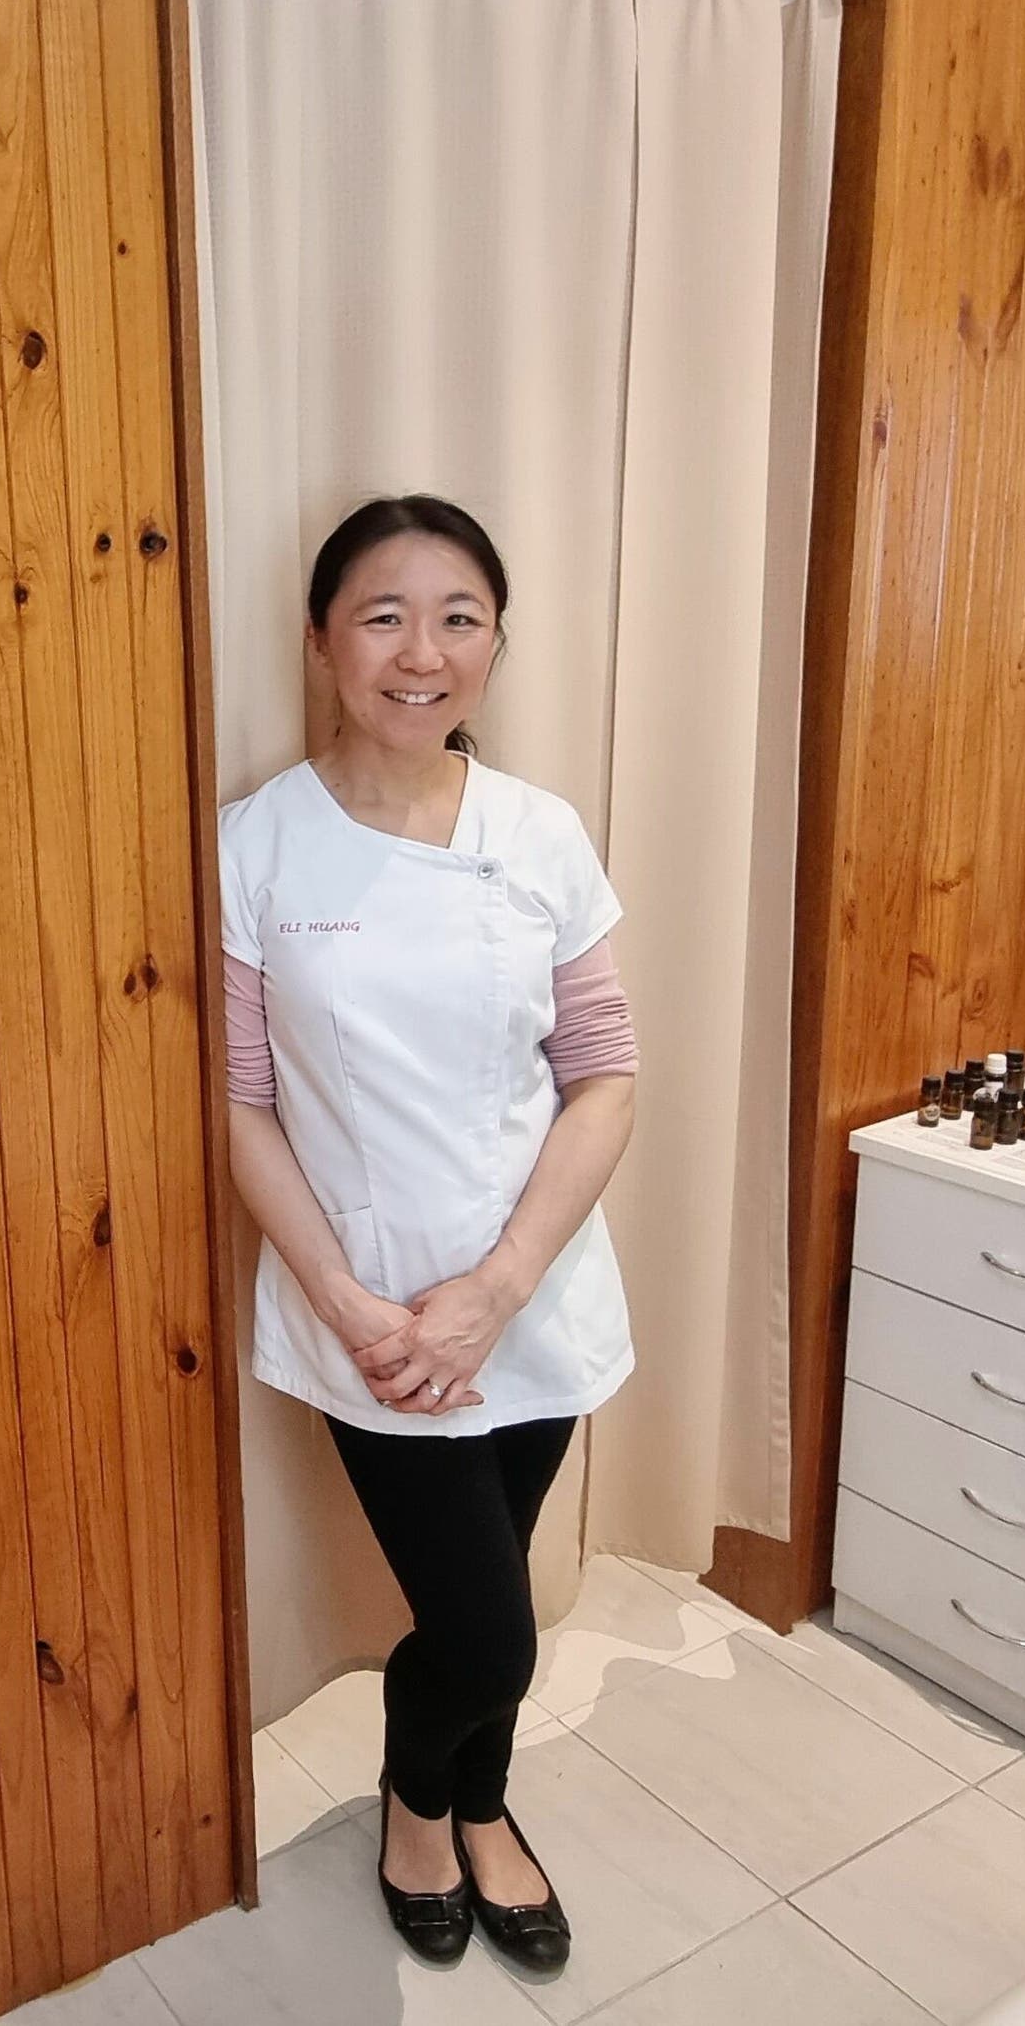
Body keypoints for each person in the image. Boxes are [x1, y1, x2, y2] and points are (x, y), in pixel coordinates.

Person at [219, 496, 637, 1974]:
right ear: (322, 641)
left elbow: (603, 1074)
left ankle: (478, 1802)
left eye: (460, 617)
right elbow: (239, 1101)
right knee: (492, 1630)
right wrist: (348, 1300)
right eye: (384, 615)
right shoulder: (257, 844)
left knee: (495, 1581)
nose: (423, 651)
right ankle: (420, 1802)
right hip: (377, 1321)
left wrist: (501, 1285)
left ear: (496, 643)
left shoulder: (541, 833)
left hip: (532, 1295)